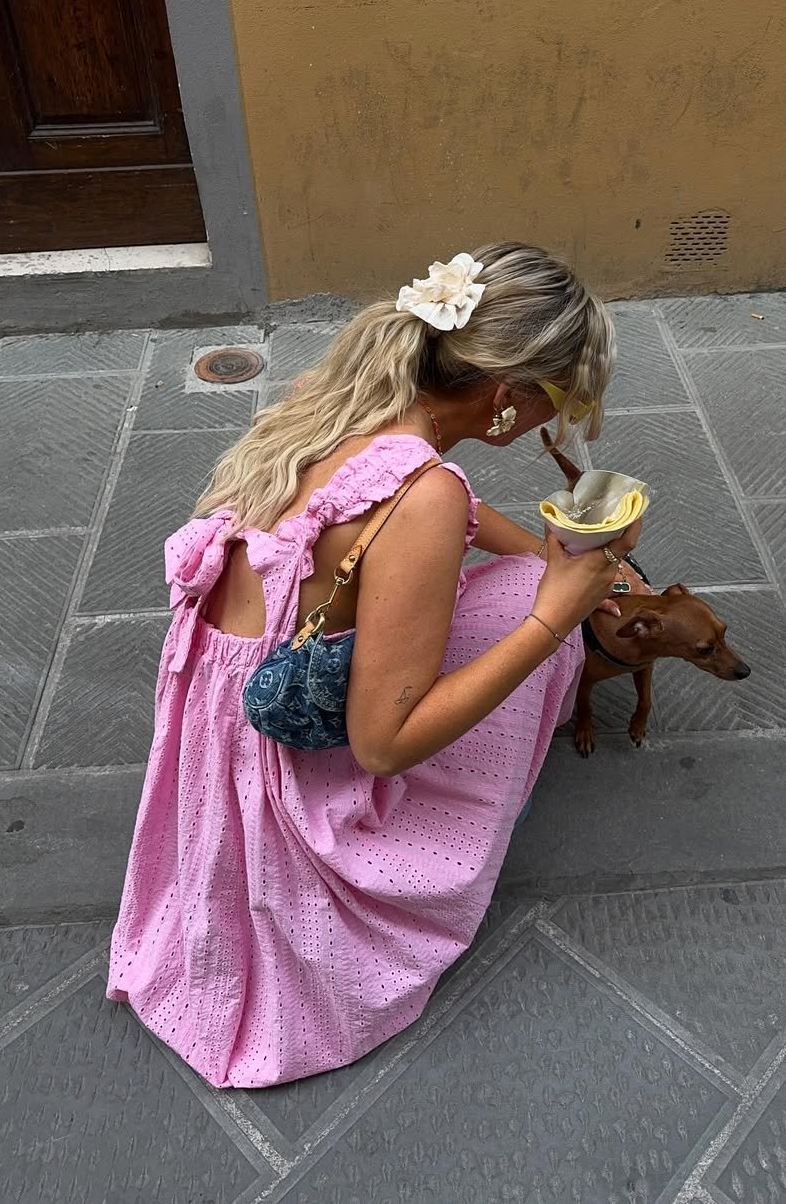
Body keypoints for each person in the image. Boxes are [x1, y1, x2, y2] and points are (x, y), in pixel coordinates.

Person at [106, 242, 645, 1087]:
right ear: (506, 398)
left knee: (521, 581)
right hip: (284, 764)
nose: (559, 424)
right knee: (525, 619)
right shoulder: (422, 498)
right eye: (562, 402)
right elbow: (383, 745)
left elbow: (440, 508)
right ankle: (415, 849)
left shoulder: (344, 393)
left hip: (223, 709)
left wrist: (546, 552)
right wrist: (556, 615)